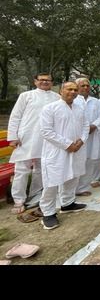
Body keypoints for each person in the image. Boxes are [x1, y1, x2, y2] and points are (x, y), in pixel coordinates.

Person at [38, 82, 89, 230]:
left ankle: (67, 203)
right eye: (69, 89)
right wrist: (67, 144)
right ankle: (48, 213)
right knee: (52, 182)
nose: (72, 92)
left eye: (75, 89)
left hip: (77, 148)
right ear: (61, 91)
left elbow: (86, 126)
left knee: (73, 177)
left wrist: (81, 140)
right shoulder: (50, 108)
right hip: (57, 152)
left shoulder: (79, 108)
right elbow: (46, 131)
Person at [7, 72, 60, 214]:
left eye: (48, 80)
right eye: (42, 80)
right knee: (21, 170)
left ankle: (35, 195)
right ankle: (18, 200)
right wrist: (13, 136)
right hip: (27, 137)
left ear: (52, 83)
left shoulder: (57, 98)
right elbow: (15, 116)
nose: (45, 82)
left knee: (42, 169)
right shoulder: (26, 96)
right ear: (35, 81)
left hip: (47, 139)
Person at [74, 78, 100, 196]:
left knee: (90, 161)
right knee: (77, 161)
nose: (86, 88)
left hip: (92, 134)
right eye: (83, 86)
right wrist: (83, 130)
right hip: (77, 136)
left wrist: (93, 126)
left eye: (87, 85)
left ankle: (82, 188)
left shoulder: (96, 101)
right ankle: (72, 189)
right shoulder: (74, 100)